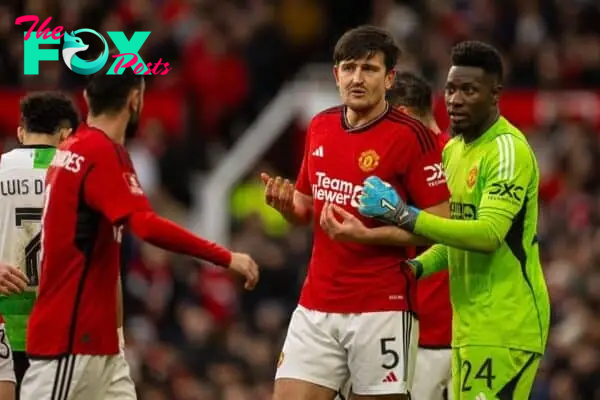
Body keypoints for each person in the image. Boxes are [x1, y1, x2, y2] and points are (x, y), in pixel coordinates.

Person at [20, 63, 260, 400]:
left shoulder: (76, 148)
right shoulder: (99, 153)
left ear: (88, 97)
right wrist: (224, 256)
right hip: (71, 341)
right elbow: (145, 225)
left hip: (98, 343)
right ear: (136, 100)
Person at [263, 25, 450, 400]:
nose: (357, 78)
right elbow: (306, 206)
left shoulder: (413, 137)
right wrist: (289, 208)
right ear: (336, 75)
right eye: (348, 68)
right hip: (316, 305)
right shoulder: (320, 126)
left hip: (382, 307)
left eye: (369, 68)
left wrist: (367, 235)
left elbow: (442, 226)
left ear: (390, 77)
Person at [358, 41, 551, 400]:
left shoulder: (507, 150)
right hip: (467, 329)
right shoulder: (453, 150)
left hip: (506, 327)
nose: (455, 99)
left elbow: (488, 235)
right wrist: (413, 268)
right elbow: (455, 239)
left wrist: (405, 215)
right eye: (451, 89)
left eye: (468, 90)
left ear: (495, 95)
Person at [0, 91, 79, 400]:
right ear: (66, 134)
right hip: (60, 332)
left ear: (21, 132)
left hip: (5, 321)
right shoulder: (80, 179)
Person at [387, 72, 453, 400]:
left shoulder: (413, 165)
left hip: (424, 330)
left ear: (405, 115)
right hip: (471, 332)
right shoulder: (465, 157)